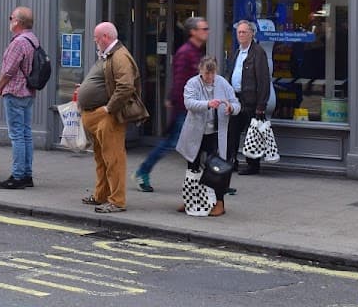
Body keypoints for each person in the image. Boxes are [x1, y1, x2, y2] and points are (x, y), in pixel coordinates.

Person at [76, 21, 146, 213]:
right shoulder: (108, 55)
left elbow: (126, 87)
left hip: (108, 116)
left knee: (113, 158)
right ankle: (101, 195)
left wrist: (108, 108)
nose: (94, 41)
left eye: (96, 38)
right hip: (97, 114)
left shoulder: (120, 56)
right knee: (101, 157)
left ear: (105, 37)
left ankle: (116, 200)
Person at [134, 15, 208, 192]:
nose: (207, 32)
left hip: (195, 107)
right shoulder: (186, 52)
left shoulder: (197, 52)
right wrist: (177, 103)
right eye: (203, 29)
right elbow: (180, 81)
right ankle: (142, 171)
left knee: (202, 143)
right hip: (186, 108)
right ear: (193, 32)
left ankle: (212, 180)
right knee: (171, 142)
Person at [177, 55, 240, 217]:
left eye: (212, 74)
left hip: (215, 134)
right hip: (195, 133)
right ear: (200, 71)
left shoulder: (222, 83)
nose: (210, 78)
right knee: (192, 167)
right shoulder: (192, 83)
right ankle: (190, 200)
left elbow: (236, 103)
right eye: (207, 74)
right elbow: (188, 103)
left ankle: (219, 203)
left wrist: (231, 109)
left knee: (216, 169)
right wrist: (207, 104)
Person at [0, 6, 38, 190]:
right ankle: (27, 174)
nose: (9, 20)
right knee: (26, 134)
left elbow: (9, 70)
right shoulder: (32, 39)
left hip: (15, 91)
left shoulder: (18, 42)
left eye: (11, 17)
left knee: (17, 135)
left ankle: (18, 175)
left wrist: (0, 86)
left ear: (18, 22)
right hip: (28, 91)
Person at [225, 19, 272, 175]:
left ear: (252, 33)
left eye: (244, 32)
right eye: (239, 32)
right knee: (233, 131)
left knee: (252, 133)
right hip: (235, 98)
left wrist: (261, 105)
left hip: (251, 100)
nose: (241, 35)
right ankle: (232, 161)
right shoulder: (237, 51)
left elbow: (264, 80)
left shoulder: (258, 52)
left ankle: (253, 165)